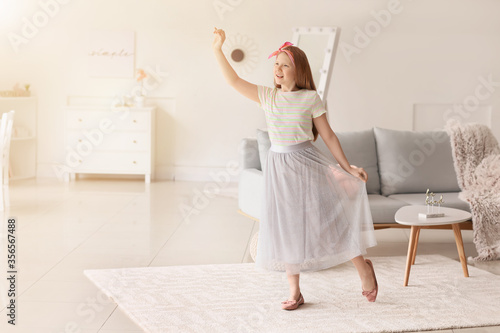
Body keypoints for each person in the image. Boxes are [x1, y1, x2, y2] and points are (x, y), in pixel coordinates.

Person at [212, 28, 378, 310]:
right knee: (286, 227)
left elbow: (328, 136)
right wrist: (217, 49)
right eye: (275, 64)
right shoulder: (267, 96)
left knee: (329, 223)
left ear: (297, 70)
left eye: (284, 64)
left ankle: (364, 270)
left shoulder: (311, 98)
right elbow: (234, 80)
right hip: (279, 169)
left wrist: (347, 166)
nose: (277, 69)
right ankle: (295, 290)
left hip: (307, 165)